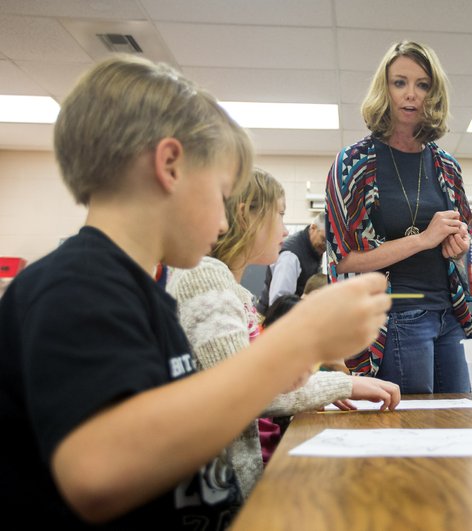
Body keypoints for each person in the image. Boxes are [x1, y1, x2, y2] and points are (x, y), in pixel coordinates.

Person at [0, 55, 391, 528]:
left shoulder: (151, 295)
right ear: (169, 165)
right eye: (221, 191)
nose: (226, 221)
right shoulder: (77, 286)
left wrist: (284, 368)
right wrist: (299, 338)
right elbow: (99, 472)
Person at [167, 168, 400, 497]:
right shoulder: (205, 277)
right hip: (220, 497)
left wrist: (341, 383)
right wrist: (344, 382)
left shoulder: (239, 294)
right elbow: (245, 390)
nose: (286, 228)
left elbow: (261, 378)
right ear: (246, 214)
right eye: (279, 214)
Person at [325, 40, 472, 393]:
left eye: (422, 84)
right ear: (385, 89)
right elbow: (344, 260)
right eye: (400, 83)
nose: (411, 94)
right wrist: (423, 239)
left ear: (433, 93)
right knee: (409, 431)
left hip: (451, 316)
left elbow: (461, 240)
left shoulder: (447, 166)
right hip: (396, 318)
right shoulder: (353, 163)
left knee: (460, 423)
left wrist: (457, 246)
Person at [256, 211, 326, 315]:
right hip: (272, 321)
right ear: (313, 228)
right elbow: (280, 303)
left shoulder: (314, 250)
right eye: (323, 239)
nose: (326, 246)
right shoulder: (291, 256)